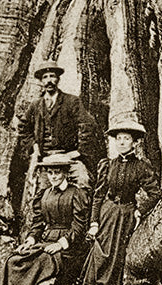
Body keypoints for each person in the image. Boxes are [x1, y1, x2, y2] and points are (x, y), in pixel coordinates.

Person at [75, 115, 162, 285]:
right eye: (119, 139)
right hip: (107, 213)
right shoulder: (108, 165)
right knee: (98, 257)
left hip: (125, 217)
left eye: (126, 139)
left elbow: (155, 193)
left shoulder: (141, 166)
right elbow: (98, 196)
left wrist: (140, 210)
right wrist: (94, 223)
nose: (122, 142)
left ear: (134, 142)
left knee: (115, 259)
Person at [0, 153, 91, 285]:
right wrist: (30, 241)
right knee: (13, 259)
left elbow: (79, 226)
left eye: (57, 172)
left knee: (42, 259)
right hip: (45, 241)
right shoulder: (44, 194)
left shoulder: (76, 194)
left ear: (65, 173)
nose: (53, 177)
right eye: (50, 173)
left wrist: (61, 243)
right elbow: (37, 225)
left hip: (68, 247)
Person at [12, 60, 105, 193]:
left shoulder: (71, 101)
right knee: (39, 193)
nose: (49, 80)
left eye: (52, 76)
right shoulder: (36, 105)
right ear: (41, 82)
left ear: (58, 79)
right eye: (45, 77)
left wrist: (78, 151)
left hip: (68, 158)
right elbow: (23, 127)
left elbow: (88, 125)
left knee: (83, 181)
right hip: (45, 160)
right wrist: (34, 147)